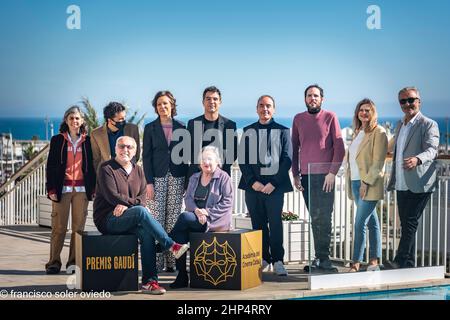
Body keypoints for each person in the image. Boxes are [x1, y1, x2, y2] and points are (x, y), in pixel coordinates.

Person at [93, 136, 189, 294]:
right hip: (108, 219)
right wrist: (133, 204)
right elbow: (112, 196)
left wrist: (127, 205)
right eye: (122, 146)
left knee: (146, 232)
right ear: (115, 149)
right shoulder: (106, 168)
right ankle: (170, 245)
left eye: (129, 147)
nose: (125, 150)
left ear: (135, 151)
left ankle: (149, 282)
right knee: (141, 211)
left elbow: (143, 197)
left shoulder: (138, 170)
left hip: (129, 218)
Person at [291, 84, 345, 272]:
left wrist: (332, 173)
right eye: (309, 95)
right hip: (306, 176)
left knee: (324, 218)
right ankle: (318, 259)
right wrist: (296, 175)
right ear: (305, 98)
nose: (312, 98)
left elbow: (339, 148)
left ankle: (325, 260)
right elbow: (294, 148)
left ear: (322, 99)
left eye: (316, 95)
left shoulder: (331, 117)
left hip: (325, 177)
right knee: (315, 218)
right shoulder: (298, 119)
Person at [238, 95, 293, 276]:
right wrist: (253, 182)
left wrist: (273, 183)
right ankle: (264, 258)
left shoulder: (284, 131)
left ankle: (278, 260)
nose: (265, 109)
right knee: (258, 224)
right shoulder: (248, 131)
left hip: (275, 188)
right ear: (256, 109)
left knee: (275, 224)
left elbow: (287, 159)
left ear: (274, 109)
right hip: (252, 188)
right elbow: (243, 160)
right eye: (261, 106)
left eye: (268, 106)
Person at [385, 87, 439, 269]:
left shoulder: (428, 124)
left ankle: (399, 261)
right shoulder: (400, 124)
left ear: (419, 101)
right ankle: (408, 264)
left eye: (411, 100)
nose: (407, 104)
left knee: (410, 222)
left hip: (420, 182)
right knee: (407, 224)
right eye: (403, 101)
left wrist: (418, 159)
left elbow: (433, 150)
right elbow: (394, 147)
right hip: (401, 181)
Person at [169, 146, 233, 288]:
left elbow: (227, 201)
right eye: (203, 159)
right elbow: (188, 199)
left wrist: (207, 212)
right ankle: (182, 276)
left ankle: (164, 242)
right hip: (196, 218)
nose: (206, 162)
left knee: (184, 218)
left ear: (217, 161)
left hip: (214, 221)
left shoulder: (224, 177)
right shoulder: (194, 177)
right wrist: (198, 211)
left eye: (210, 159)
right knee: (180, 235)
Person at [45, 106, 96, 274]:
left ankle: (73, 262)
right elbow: (51, 166)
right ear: (66, 120)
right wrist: (51, 188)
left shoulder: (88, 141)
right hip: (62, 190)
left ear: (82, 121)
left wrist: (93, 187)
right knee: (59, 228)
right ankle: (53, 262)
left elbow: (93, 167)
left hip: (82, 191)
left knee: (78, 229)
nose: (75, 121)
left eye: (77, 118)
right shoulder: (57, 140)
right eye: (71, 118)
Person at [143, 91, 188, 273]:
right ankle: (158, 263)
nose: (163, 107)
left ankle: (172, 262)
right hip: (157, 178)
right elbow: (146, 157)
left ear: (172, 105)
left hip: (178, 176)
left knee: (173, 221)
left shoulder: (182, 127)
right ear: (156, 107)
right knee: (157, 220)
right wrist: (149, 182)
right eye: (159, 104)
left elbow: (186, 156)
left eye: (166, 103)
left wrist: (186, 183)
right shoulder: (150, 128)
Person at [346, 99, 388, 272]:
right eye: (361, 110)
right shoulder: (359, 132)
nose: (364, 113)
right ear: (357, 113)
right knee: (372, 223)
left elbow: (378, 162)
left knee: (359, 223)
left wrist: (365, 182)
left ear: (373, 113)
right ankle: (373, 261)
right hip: (355, 182)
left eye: (368, 110)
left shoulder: (379, 132)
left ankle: (355, 263)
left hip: (368, 183)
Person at [186, 86, 237, 180]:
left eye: (215, 99)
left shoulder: (229, 125)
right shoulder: (192, 123)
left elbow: (232, 153)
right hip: (196, 176)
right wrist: (202, 166)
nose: (211, 102)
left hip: (221, 176)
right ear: (203, 102)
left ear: (220, 102)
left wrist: (215, 167)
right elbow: (187, 150)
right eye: (208, 99)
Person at [91, 102, 140, 173]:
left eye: (124, 117)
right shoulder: (96, 134)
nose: (124, 121)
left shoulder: (133, 129)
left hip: (129, 172)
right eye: (120, 119)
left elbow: (136, 153)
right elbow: (96, 159)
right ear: (110, 120)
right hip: (107, 173)